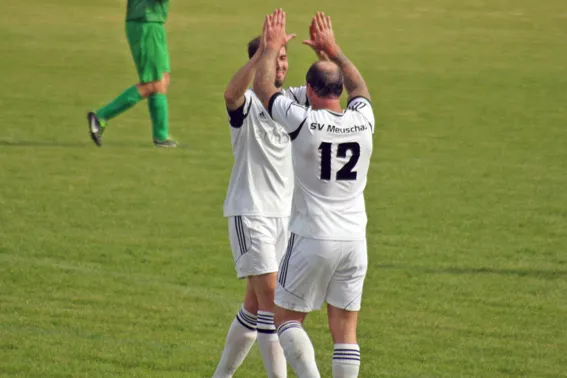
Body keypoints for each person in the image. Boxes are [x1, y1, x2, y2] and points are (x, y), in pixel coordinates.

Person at [254, 10, 375, 378]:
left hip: (312, 237)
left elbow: (263, 91)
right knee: (345, 331)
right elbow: (362, 90)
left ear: (308, 91)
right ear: (339, 91)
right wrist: (333, 50)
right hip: (355, 239)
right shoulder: (363, 119)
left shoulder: (304, 121)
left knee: (286, 318)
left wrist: (271, 48)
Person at [211, 18, 305, 378]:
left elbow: (321, 93)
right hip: (251, 214)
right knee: (275, 307)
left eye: (284, 58)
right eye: (275, 58)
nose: (281, 64)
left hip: (286, 218)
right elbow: (230, 95)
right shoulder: (248, 104)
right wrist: (261, 56)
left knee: (254, 307)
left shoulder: (291, 101)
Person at [87, 0, 177, 148]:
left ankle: (161, 137)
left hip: (151, 22)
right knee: (153, 83)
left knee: (162, 79)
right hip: (146, 23)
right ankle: (101, 116)